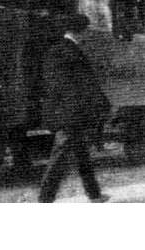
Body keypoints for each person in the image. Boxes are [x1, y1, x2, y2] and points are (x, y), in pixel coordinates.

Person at [38, 13, 112, 203]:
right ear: (82, 31)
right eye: (86, 30)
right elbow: (76, 85)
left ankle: (94, 194)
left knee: (81, 153)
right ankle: (44, 199)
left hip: (70, 110)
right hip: (70, 112)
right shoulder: (69, 51)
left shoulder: (60, 50)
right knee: (60, 156)